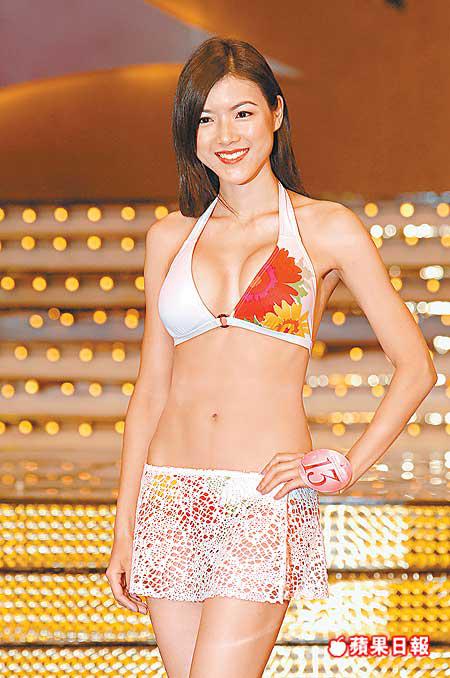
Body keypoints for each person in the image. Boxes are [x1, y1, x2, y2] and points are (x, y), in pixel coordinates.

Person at [106, 36, 437, 678]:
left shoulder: (326, 228)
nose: (225, 135)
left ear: (276, 113)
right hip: (169, 496)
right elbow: (149, 390)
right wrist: (125, 527)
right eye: (206, 118)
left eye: (242, 113)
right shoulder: (169, 237)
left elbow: (416, 367)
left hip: (260, 497)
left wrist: (346, 465)